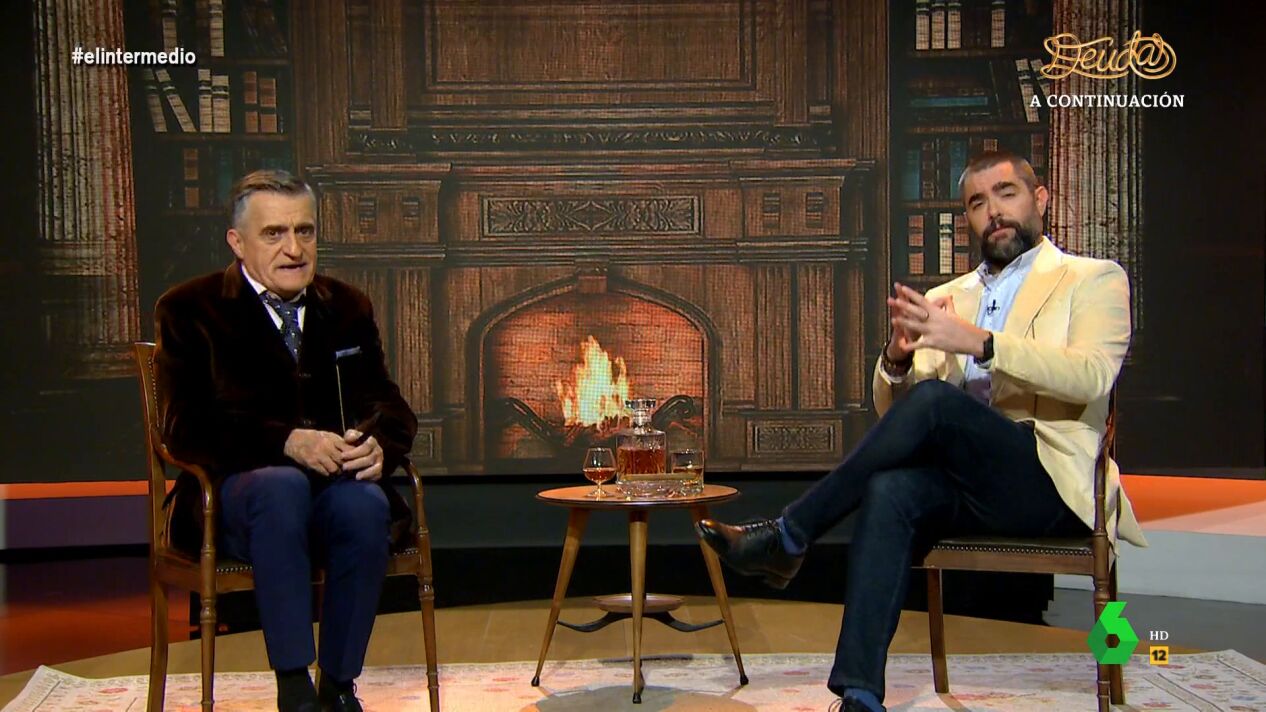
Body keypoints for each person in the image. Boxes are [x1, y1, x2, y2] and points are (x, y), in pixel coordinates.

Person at [697, 151, 1147, 712]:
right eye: (977, 203)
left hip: (1050, 484)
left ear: (1041, 199)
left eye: (1006, 193)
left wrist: (980, 342)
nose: (993, 211)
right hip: (967, 488)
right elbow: (898, 417)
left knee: (937, 403)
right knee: (890, 488)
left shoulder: (1092, 278)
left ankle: (788, 536)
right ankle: (860, 695)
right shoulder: (946, 299)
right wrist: (897, 360)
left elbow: (1092, 375)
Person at [154, 170, 418, 712]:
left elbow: (390, 408)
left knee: (365, 505)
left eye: (305, 231)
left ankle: (338, 687)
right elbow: (183, 428)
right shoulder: (189, 309)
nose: (294, 249)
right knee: (280, 487)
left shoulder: (347, 307)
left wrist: (377, 445)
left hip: (329, 493)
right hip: (233, 503)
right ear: (237, 242)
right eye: (274, 233)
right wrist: (287, 442)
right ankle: (294, 688)